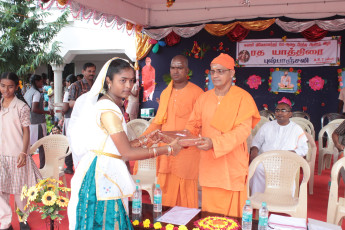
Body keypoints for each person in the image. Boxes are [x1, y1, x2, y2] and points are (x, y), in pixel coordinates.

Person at [67, 58, 182, 229]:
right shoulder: (108, 109)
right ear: (108, 81)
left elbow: (112, 145)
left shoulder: (109, 105)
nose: (129, 85)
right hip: (102, 175)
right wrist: (168, 149)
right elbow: (126, 153)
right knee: (107, 220)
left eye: (132, 80)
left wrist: (146, 140)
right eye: (123, 80)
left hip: (103, 167)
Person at [185, 53, 260, 217]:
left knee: (232, 218)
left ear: (232, 73)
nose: (215, 75)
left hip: (232, 164)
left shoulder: (243, 98)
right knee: (209, 215)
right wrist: (182, 137)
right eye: (212, 71)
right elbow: (192, 125)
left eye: (220, 71)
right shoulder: (204, 98)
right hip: (209, 163)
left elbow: (242, 131)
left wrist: (215, 143)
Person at [140, 55, 203, 208]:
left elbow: (200, 126)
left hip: (186, 151)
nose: (176, 71)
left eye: (180, 67)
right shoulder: (165, 93)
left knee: (185, 190)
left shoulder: (198, 93)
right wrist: (141, 139)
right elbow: (158, 122)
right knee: (165, 186)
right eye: (173, 67)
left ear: (187, 70)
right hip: (166, 150)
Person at [0, 72, 42, 230]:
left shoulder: (21, 106)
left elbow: (26, 131)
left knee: (20, 191)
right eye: (3, 86)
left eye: (10, 86)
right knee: (0, 190)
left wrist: (24, 153)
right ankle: (5, 223)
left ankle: (23, 219)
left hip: (17, 154)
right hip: (0, 155)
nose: (6, 90)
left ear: (16, 87)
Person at [249, 98, 308, 195]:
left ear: (290, 114)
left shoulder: (296, 129)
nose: (279, 113)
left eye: (283, 110)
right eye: (277, 110)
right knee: (257, 168)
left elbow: (304, 149)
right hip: (266, 160)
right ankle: (258, 197)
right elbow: (256, 142)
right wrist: (254, 151)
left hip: (286, 161)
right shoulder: (267, 126)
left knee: (287, 172)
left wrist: (293, 153)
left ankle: (284, 198)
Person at [67, 63, 96, 173]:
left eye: (93, 71)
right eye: (89, 71)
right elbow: (70, 103)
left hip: (92, 123)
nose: (92, 73)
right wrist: (85, 104)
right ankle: (70, 167)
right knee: (75, 145)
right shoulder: (76, 85)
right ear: (83, 71)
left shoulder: (96, 85)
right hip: (78, 122)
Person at [24, 74, 54, 169]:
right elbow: (34, 109)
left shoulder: (28, 92)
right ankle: (42, 167)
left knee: (29, 146)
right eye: (41, 81)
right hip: (37, 123)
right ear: (36, 82)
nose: (43, 83)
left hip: (29, 121)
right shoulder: (36, 93)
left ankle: (28, 166)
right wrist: (47, 112)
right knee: (42, 145)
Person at [62, 74, 77, 174]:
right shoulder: (78, 89)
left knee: (68, 142)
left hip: (69, 119)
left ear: (68, 82)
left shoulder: (68, 91)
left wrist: (62, 111)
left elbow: (65, 108)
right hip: (77, 119)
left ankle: (69, 166)